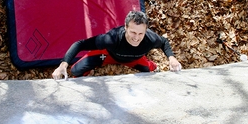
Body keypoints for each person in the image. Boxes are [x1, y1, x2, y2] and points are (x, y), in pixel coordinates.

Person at [52, 10, 182, 80]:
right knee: (75, 70)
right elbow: (79, 44)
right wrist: (63, 65)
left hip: (134, 59)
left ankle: (152, 65)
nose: (136, 38)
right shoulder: (111, 39)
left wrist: (171, 58)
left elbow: (164, 42)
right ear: (125, 27)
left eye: (140, 33)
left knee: (151, 70)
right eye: (133, 32)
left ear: (146, 30)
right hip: (108, 55)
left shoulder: (150, 39)